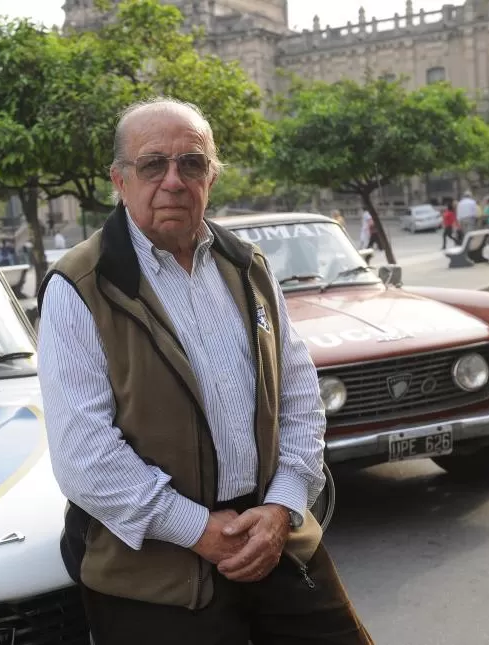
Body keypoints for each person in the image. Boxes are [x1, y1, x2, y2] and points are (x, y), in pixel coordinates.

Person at [35, 97, 372, 645]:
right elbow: (83, 454)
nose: (174, 180)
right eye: (153, 165)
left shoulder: (247, 267)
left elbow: (298, 394)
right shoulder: (82, 285)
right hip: (154, 563)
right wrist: (198, 531)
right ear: (120, 181)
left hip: (271, 532)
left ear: (210, 177)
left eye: (191, 164)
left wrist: (284, 505)